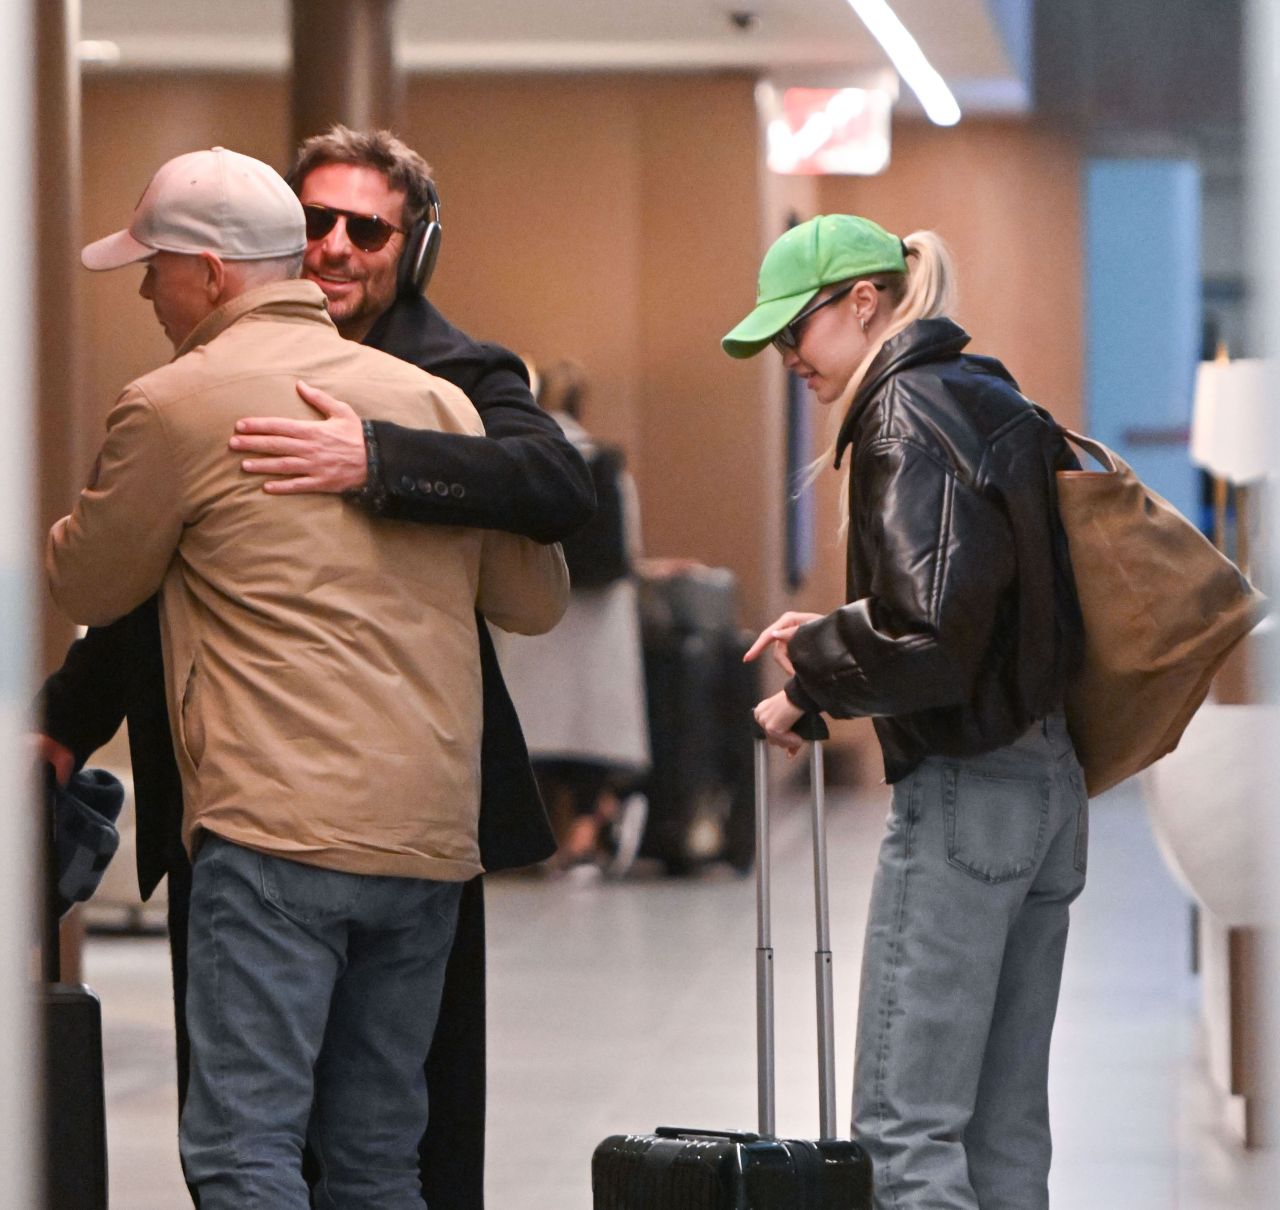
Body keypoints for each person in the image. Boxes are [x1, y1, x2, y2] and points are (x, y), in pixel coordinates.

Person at [37, 126, 593, 1208]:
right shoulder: (431, 397)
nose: (146, 290)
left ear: (206, 270)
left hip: (276, 829)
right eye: (317, 223)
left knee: (248, 1147)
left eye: (152, 267)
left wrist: (370, 465)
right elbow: (536, 596)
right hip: (426, 836)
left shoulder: (175, 401)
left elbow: (95, 585)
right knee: (380, 1154)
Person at [726, 214, 1088, 1210]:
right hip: (1045, 785)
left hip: (968, 790)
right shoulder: (988, 395)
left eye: (793, 329)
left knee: (904, 1129)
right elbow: (975, 602)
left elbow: (929, 640)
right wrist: (845, 627)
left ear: (860, 302)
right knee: (999, 1127)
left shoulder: (899, 415)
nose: (787, 357)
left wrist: (807, 680)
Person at [496, 359, 650, 873]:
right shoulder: (607, 464)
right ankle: (585, 837)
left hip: (537, 618)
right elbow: (629, 548)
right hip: (600, 623)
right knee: (591, 736)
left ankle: (531, 845)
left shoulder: (522, 461)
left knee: (534, 734)